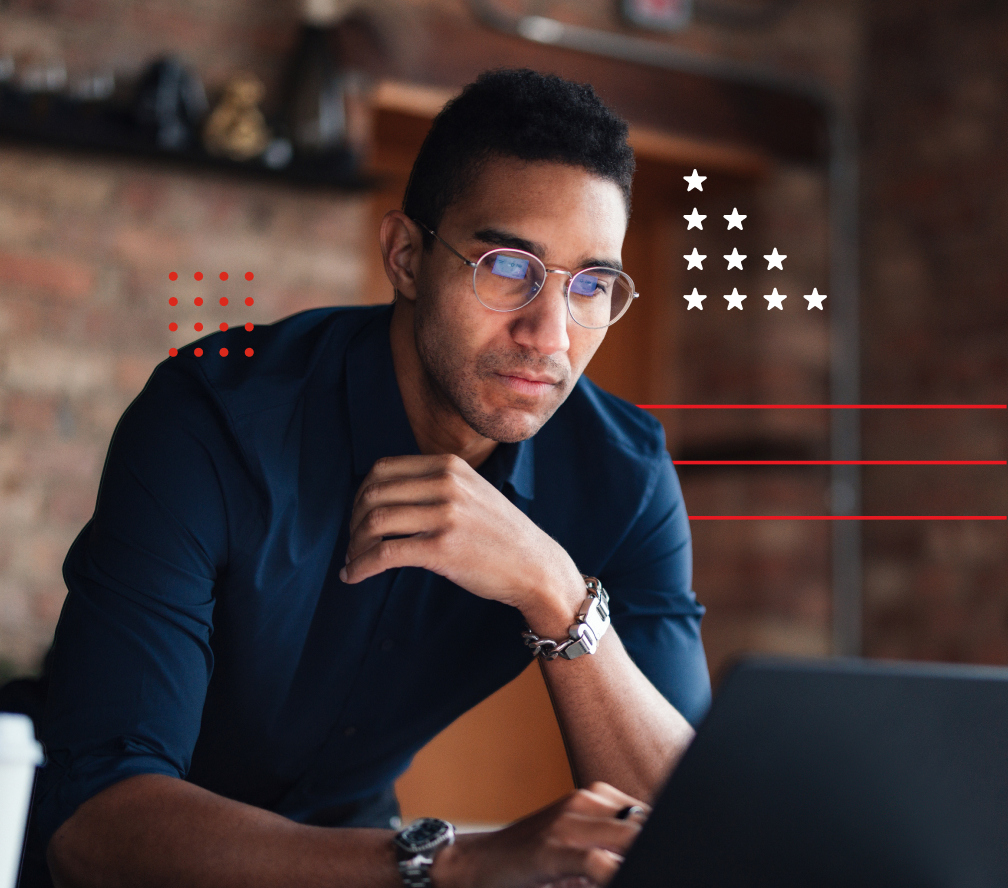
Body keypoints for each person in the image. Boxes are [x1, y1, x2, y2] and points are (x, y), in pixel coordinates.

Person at [28, 68, 711, 888]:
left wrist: (556, 592)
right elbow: (93, 824)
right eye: (507, 266)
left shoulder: (624, 477)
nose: (550, 335)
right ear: (406, 255)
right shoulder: (213, 420)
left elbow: (695, 827)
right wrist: (459, 864)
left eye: (591, 285)